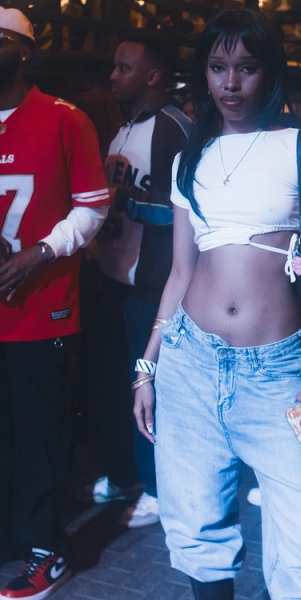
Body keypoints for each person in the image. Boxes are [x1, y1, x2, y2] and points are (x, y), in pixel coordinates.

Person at [133, 9, 301, 600]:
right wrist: (148, 365)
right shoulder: (190, 158)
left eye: (246, 68)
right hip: (189, 362)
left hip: (277, 373)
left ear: (269, 72)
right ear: (204, 73)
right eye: (218, 67)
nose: (230, 83)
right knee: (197, 530)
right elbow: (180, 272)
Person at [0, 7, 109, 599]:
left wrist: (39, 253)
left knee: (39, 434)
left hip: (42, 308)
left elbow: (93, 206)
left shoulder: (65, 119)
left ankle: (47, 548)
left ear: (26, 51)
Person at [77, 32, 191, 529]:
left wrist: (123, 201)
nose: (113, 75)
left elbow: (189, 210)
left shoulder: (176, 129)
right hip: (110, 274)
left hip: (151, 286)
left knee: (149, 387)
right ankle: (125, 475)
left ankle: (160, 489)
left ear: (153, 75)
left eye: (124, 67)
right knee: (110, 384)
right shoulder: (125, 129)